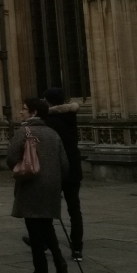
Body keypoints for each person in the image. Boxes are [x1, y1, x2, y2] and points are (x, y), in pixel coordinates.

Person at [7, 97, 69, 273]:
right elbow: (64, 164)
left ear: (34, 113)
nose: (21, 112)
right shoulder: (53, 133)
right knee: (47, 225)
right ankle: (59, 261)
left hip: (31, 184)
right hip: (51, 186)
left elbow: (11, 159)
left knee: (34, 229)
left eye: (24, 109)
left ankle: (41, 271)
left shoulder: (24, 132)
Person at [43, 88, 83, 261]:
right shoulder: (71, 117)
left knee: (47, 209)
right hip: (73, 167)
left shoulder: (49, 120)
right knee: (74, 209)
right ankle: (77, 247)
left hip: (57, 168)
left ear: (49, 101)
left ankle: (44, 241)